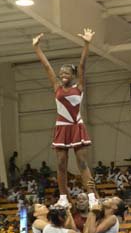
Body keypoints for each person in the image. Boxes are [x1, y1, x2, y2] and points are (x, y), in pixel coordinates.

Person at [32, 29, 97, 208]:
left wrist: (87, 43)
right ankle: (62, 197)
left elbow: (82, 65)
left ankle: (91, 195)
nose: (62, 75)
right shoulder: (56, 86)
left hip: (76, 125)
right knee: (61, 164)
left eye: (66, 73)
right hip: (62, 126)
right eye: (61, 73)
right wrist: (36, 48)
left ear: (73, 75)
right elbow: (47, 67)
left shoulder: (80, 86)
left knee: (82, 163)